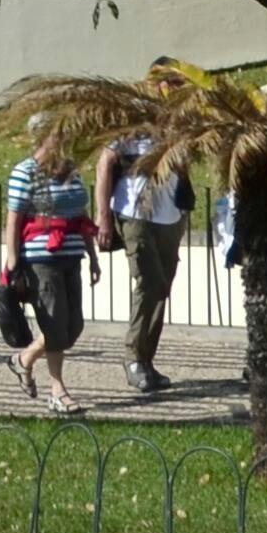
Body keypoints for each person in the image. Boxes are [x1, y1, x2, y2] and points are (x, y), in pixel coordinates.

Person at [2, 119, 99, 415]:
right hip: (41, 258)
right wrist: (13, 261)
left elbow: (81, 213)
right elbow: (14, 219)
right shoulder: (25, 172)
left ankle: (24, 360)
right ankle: (57, 391)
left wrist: (92, 255)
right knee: (55, 323)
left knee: (73, 326)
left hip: (71, 254)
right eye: (59, 135)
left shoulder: (71, 170)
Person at [105, 124, 192, 396]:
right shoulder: (131, 126)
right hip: (134, 213)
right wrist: (102, 216)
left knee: (162, 286)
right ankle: (133, 357)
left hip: (169, 214)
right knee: (149, 282)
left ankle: (145, 360)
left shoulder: (179, 125)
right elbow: (104, 164)